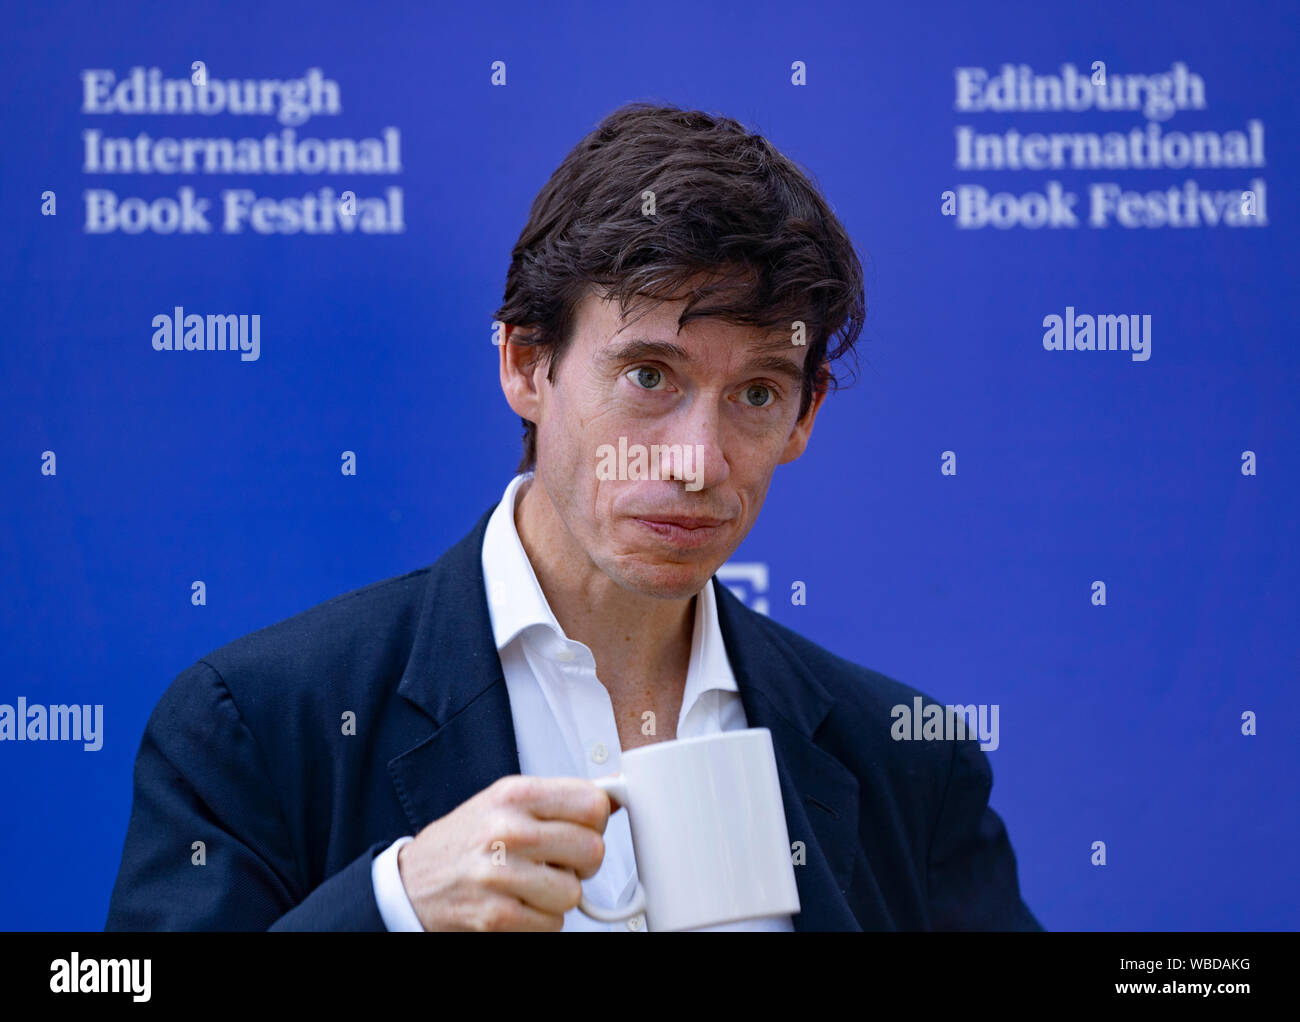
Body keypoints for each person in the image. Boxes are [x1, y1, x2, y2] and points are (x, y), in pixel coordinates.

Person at [105, 102, 1041, 931]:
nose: (696, 462)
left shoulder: (906, 759)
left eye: (757, 393)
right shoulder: (262, 723)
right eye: (648, 377)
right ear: (524, 365)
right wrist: (393, 909)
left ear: (806, 417)